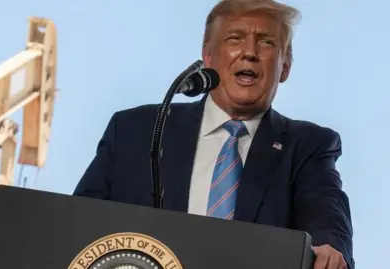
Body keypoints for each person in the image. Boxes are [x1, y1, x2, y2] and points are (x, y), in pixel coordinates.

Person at [73, 0, 354, 268]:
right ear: (208, 57)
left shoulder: (307, 146)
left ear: (285, 67)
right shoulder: (137, 130)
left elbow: (326, 215)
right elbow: (77, 226)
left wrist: (329, 249)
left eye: (267, 42)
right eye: (235, 38)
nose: (250, 52)